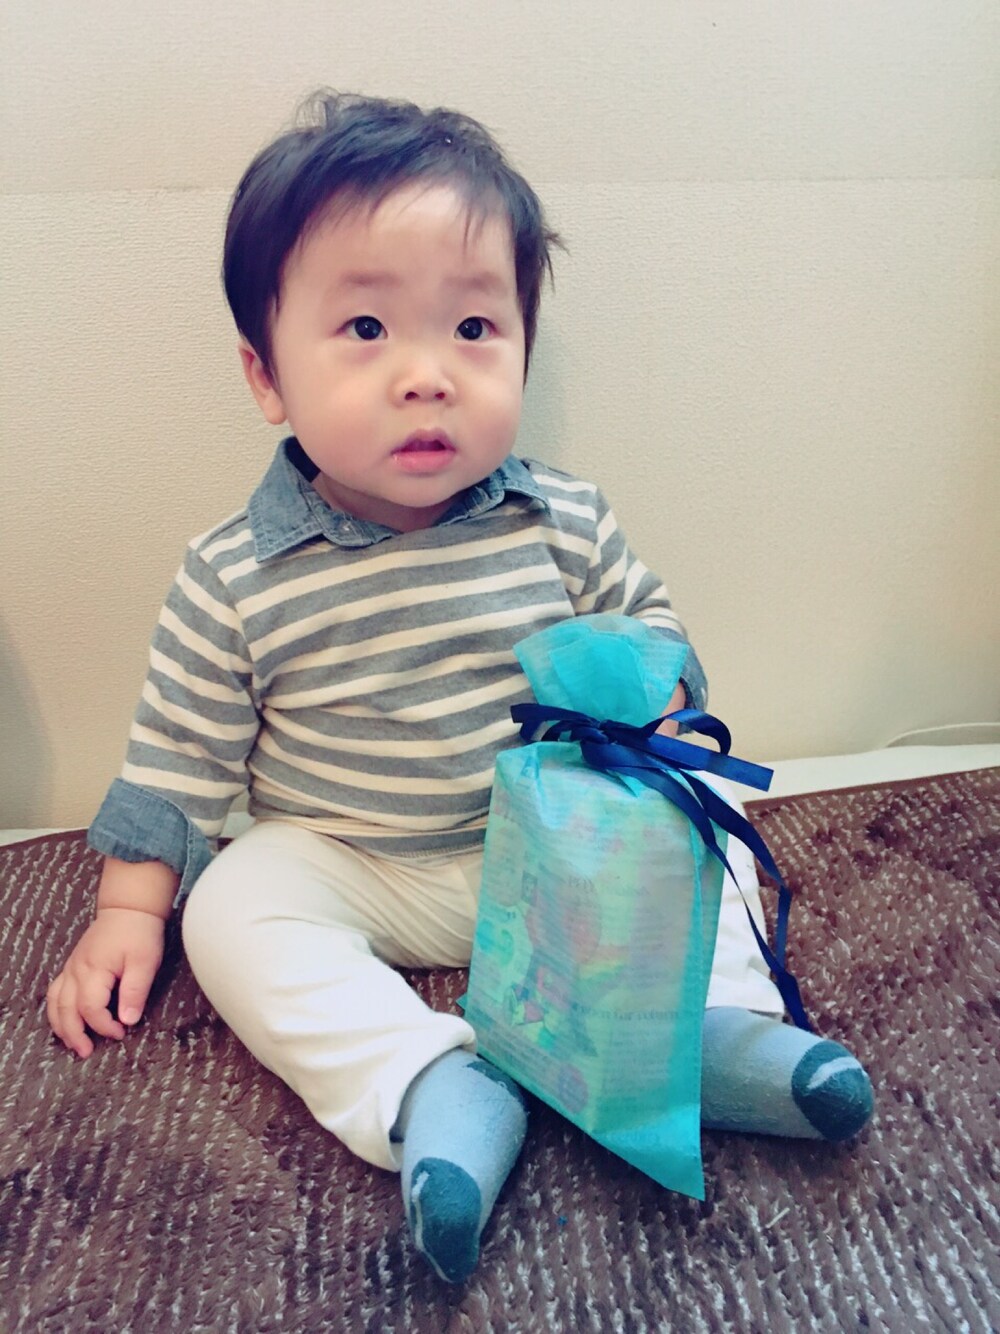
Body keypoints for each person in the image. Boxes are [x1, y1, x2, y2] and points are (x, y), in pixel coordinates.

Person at [47, 92, 873, 1284]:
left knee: (709, 813)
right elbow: (179, 757)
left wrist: (656, 699)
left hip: (548, 847)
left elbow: (655, 629)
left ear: (523, 346)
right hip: (352, 857)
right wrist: (130, 908)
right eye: (366, 327)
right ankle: (427, 1077)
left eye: (475, 326)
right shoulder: (237, 574)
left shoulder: (560, 517)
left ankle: (697, 1028)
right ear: (266, 375)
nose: (427, 375)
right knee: (231, 906)